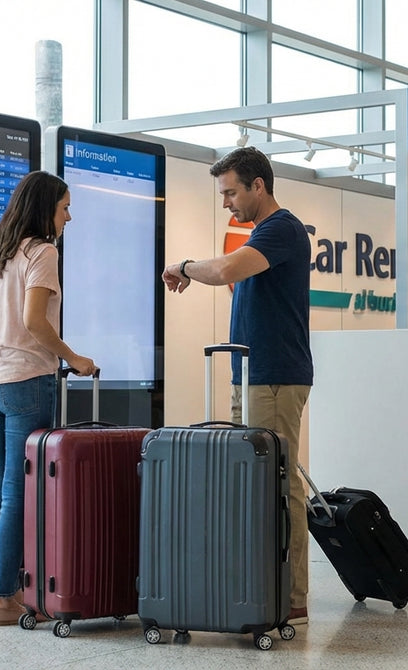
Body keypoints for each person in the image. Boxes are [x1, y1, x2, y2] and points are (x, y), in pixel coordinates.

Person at [161, 146, 313, 626]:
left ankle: (291, 597)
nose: (226, 202)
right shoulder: (260, 235)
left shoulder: (281, 229)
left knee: (279, 485)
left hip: (272, 378)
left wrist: (183, 266)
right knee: (257, 484)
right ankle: (261, 586)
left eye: (230, 192)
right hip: (251, 376)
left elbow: (223, 270)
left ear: (258, 185)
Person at [0, 171, 97, 627]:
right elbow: (35, 321)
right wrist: (74, 357)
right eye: (64, 207)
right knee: (17, 496)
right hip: (24, 381)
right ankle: (5, 600)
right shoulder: (42, 251)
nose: (69, 216)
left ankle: (8, 592)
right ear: (45, 209)